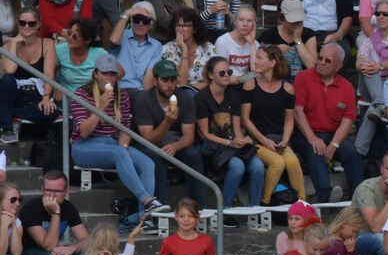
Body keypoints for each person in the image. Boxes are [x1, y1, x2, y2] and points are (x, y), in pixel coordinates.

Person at [70, 53, 163, 228]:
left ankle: (145, 219)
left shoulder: (123, 95)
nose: (109, 78)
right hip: (84, 146)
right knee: (119, 152)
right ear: (96, 74)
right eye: (105, 74)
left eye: (112, 74)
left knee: (147, 163)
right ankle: (147, 200)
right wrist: (101, 107)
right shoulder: (81, 94)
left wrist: (124, 148)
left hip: (113, 143)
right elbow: (83, 132)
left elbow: (125, 128)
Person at [292, 43, 364, 203]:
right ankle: (327, 196)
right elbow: (298, 112)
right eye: (320, 58)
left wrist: (333, 146)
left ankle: (359, 198)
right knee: (315, 150)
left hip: (332, 133)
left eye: (327, 60)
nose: (322, 62)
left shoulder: (346, 87)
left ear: (338, 66)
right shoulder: (303, 78)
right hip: (305, 133)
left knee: (352, 152)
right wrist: (312, 138)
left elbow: (347, 121)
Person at [195, 56, 267, 212]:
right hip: (213, 147)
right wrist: (229, 143)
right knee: (237, 166)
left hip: (231, 146)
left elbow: (235, 130)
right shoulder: (202, 98)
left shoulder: (233, 96)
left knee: (258, 167)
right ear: (210, 75)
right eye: (222, 73)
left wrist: (242, 139)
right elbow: (204, 135)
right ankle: (225, 208)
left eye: (229, 71)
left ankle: (254, 209)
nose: (227, 75)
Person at [134, 59, 206, 207]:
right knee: (156, 159)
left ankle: (198, 208)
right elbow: (148, 139)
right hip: (150, 146)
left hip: (175, 142)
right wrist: (167, 122)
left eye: (173, 80)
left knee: (193, 155)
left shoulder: (185, 98)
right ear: (155, 81)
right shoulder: (143, 100)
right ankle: (160, 210)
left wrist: (175, 146)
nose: (170, 85)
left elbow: (189, 136)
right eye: (165, 80)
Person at [241, 46, 306, 206]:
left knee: (293, 162)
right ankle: (265, 202)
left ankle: (303, 204)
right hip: (257, 140)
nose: (255, 61)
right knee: (278, 163)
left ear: (272, 63)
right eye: (256, 57)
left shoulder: (287, 89)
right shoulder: (250, 85)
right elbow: (245, 119)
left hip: (278, 139)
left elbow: (289, 119)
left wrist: (285, 140)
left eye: (259, 58)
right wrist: (264, 141)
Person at [353, 0, 388, 155]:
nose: (381, 17)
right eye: (378, 13)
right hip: (371, 84)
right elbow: (359, 61)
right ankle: (380, 103)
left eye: (386, 14)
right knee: (367, 63)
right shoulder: (368, 41)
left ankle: (358, 151)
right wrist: (365, 65)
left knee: (374, 109)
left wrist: (381, 66)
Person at [0, 9, 59, 145]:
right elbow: (10, 70)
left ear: (38, 25)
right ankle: (8, 129)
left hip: (37, 94)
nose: (26, 26)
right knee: (6, 80)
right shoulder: (8, 46)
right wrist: (14, 43)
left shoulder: (47, 43)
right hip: (16, 94)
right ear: (18, 24)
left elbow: (48, 74)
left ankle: (6, 115)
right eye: (23, 23)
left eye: (31, 23)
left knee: (51, 112)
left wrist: (46, 97)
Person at [17, 171, 87, 255]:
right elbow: (48, 246)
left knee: (95, 252)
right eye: (48, 190)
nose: (52, 195)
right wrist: (55, 213)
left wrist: (71, 248)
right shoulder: (30, 209)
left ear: (66, 192)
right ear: (42, 190)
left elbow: (86, 240)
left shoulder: (68, 208)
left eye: (57, 191)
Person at [110, 0, 162, 97]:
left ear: (151, 23)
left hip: (139, 92)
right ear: (131, 20)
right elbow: (114, 40)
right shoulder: (122, 35)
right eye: (137, 19)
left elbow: (148, 80)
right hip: (117, 89)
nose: (141, 23)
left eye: (145, 20)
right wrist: (126, 14)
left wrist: (147, 100)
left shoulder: (156, 46)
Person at [258, 0, 318, 81]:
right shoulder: (268, 35)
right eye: (292, 20)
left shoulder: (309, 34)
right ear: (282, 18)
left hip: (303, 81)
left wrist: (298, 40)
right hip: (276, 81)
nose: (296, 23)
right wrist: (275, 52)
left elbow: (312, 66)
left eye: (299, 20)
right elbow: (260, 66)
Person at [161, 8, 216, 90]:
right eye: (177, 25)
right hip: (178, 96)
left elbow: (212, 81)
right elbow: (181, 82)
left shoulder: (208, 48)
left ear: (194, 29)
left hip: (204, 94)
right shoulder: (168, 49)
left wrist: (192, 89)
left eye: (185, 26)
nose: (180, 30)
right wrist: (184, 50)